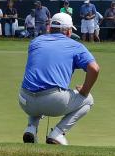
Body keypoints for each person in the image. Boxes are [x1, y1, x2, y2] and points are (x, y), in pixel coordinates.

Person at [17, 12, 100, 146]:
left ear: (50, 28)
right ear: (68, 31)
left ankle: (31, 128)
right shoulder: (75, 46)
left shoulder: (35, 41)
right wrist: (84, 90)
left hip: (25, 100)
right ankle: (57, 133)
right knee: (88, 100)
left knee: (36, 86)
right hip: (53, 101)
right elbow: (94, 68)